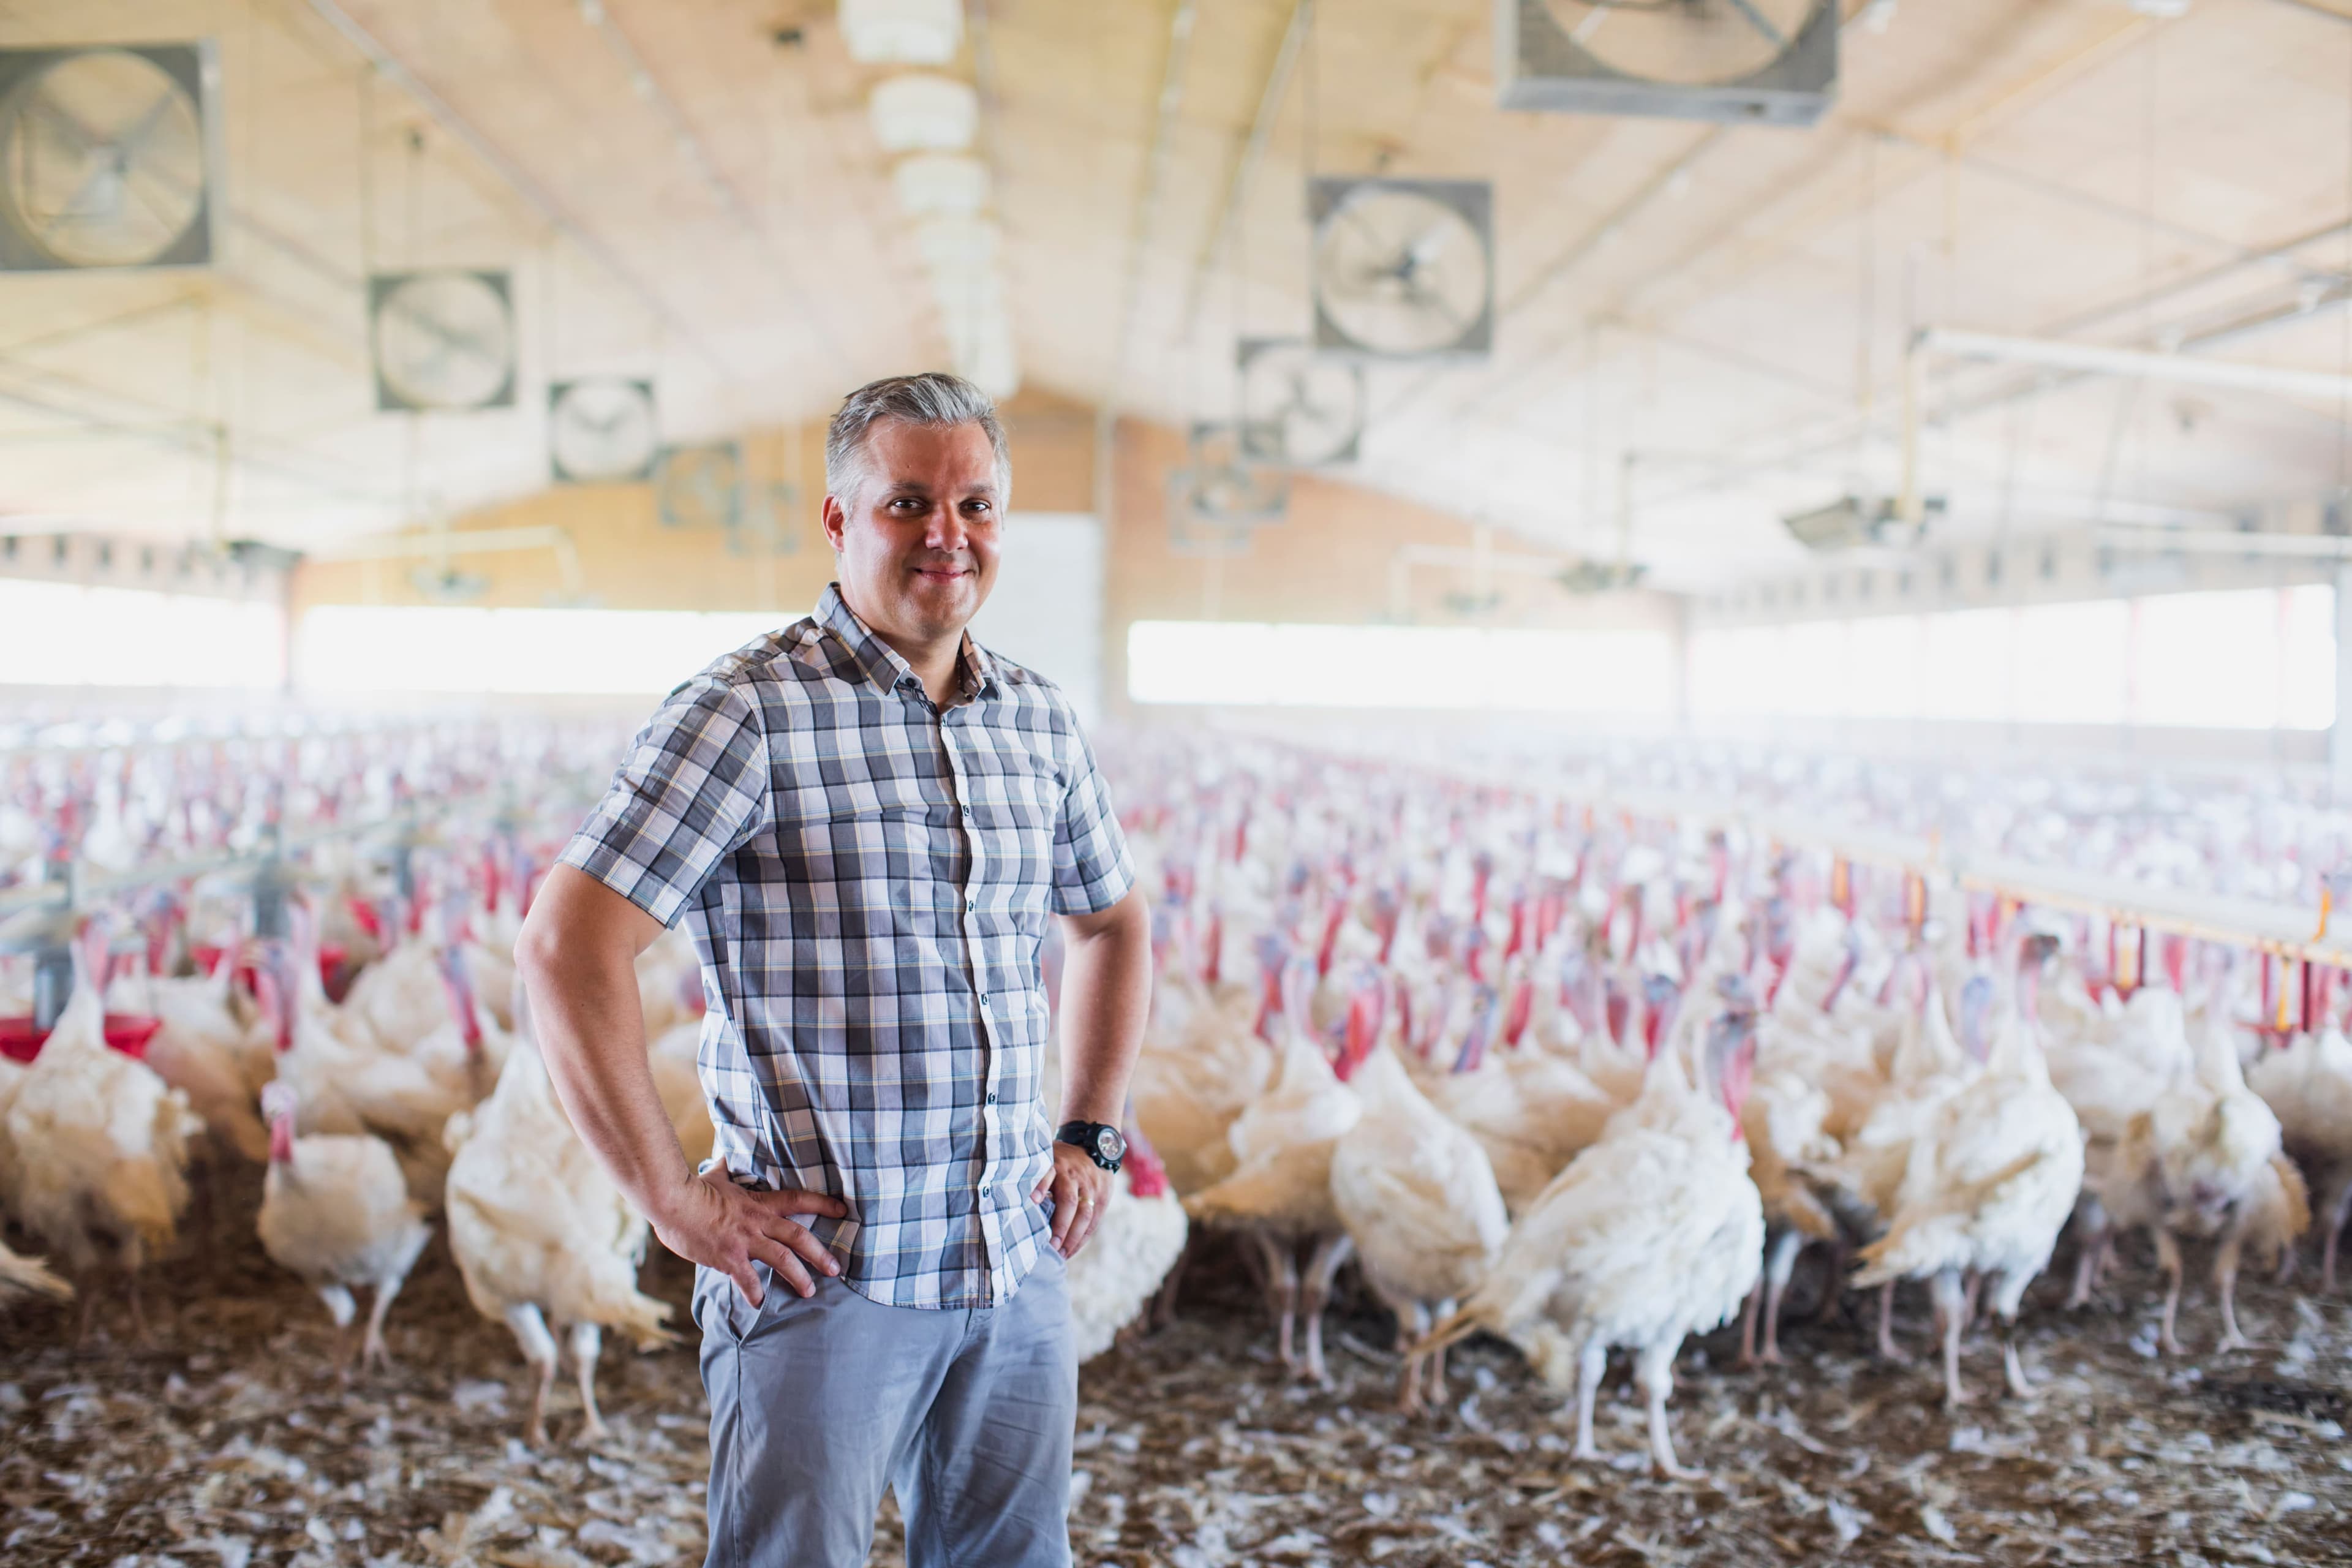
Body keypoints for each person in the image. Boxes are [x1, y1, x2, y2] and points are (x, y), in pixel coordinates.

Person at [515, 372, 1153, 1568]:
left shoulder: (1038, 720)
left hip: (1011, 1263)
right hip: (831, 1276)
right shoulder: (748, 712)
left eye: (975, 504)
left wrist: (1095, 1130)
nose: (945, 535)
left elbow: (1113, 923)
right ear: (840, 521)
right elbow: (566, 940)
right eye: (908, 502)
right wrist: (669, 1196)